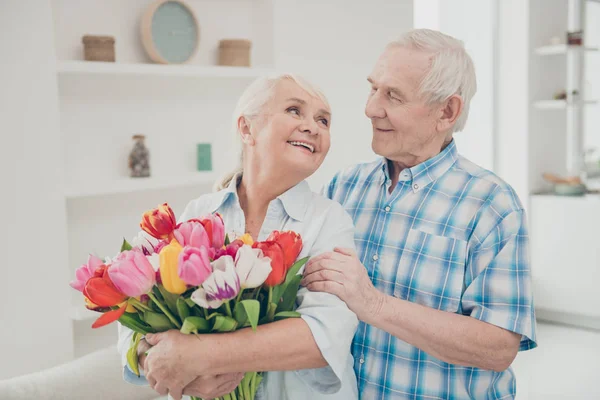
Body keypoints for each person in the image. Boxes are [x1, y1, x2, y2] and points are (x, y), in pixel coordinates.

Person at [302, 29, 538, 399]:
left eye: (393, 95)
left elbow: (498, 346)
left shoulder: (492, 204)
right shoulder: (343, 188)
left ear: (447, 111)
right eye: (373, 88)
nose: (370, 108)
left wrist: (374, 303)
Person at [117, 73, 360, 400]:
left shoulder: (330, 222)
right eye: (294, 110)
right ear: (247, 128)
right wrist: (154, 359)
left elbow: (322, 337)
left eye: (323, 120)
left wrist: (198, 354)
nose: (312, 126)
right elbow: (135, 313)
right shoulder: (196, 214)